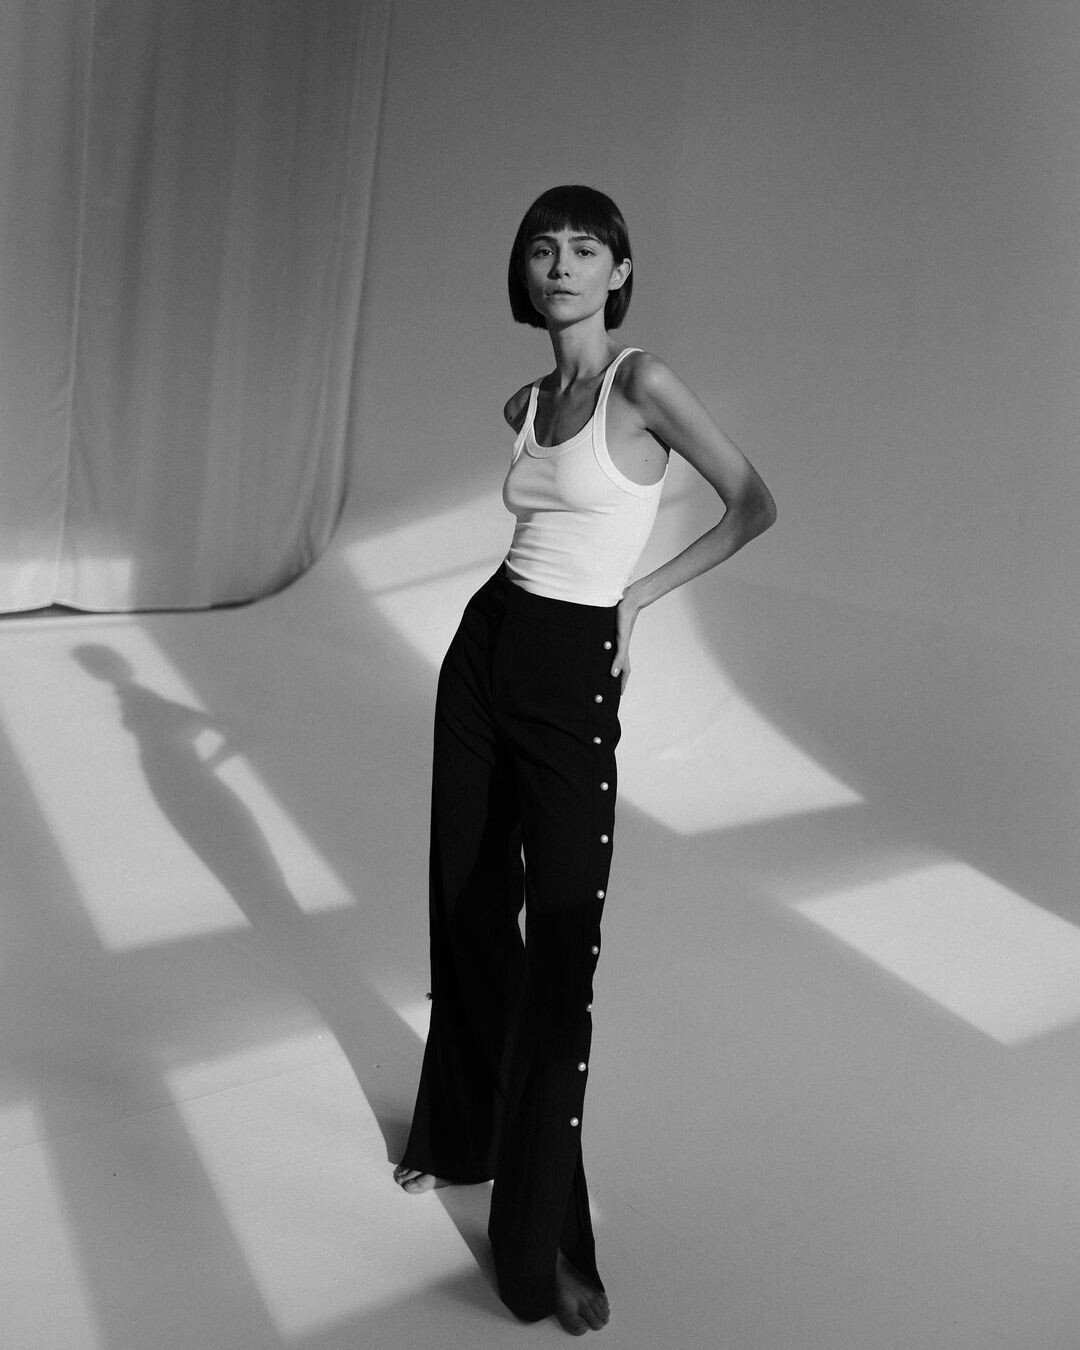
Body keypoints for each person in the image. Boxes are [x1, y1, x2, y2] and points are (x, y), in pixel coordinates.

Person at [394, 184, 776, 1336]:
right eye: (542, 249)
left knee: (559, 961)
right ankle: (460, 1132)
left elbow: (753, 503)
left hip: (570, 672)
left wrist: (638, 599)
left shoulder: (641, 386)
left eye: (584, 248)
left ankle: (546, 1243)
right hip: (486, 648)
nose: (560, 265)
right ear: (524, 273)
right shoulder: (528, 400)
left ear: (620, 271)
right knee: (467, 907)